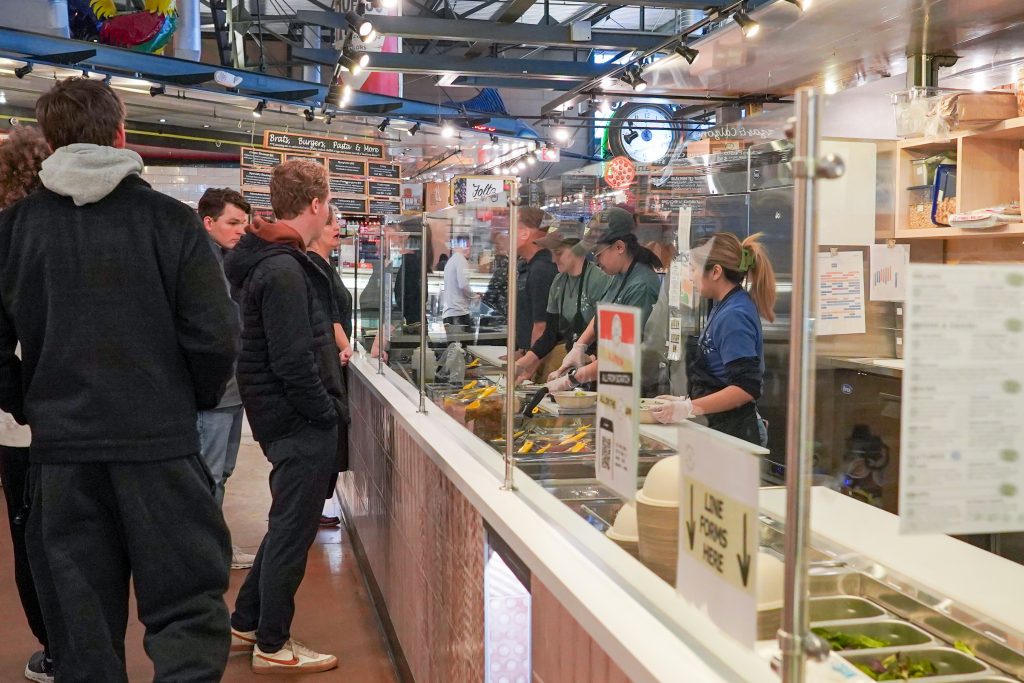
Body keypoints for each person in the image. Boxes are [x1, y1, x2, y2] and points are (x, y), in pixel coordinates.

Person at [0, 77, 240, 682]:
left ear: (50, 139)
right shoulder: (172, 222)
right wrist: (187, 400)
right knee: (187, 608)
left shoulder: (13, 230)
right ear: (121, 132)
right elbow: (215, 335)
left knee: (79, 625)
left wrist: (29, 404)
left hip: (62, 455)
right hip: (160, 446)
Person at [224, 159, 343, 675]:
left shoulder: (273, 262)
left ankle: (248, 620)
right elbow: (293, 360)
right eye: (329, 202)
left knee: (285, 526)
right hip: (298, 421)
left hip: (282, 418)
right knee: (293, 534)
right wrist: (325, 413)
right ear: (316, 205)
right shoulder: (282, 269)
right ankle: (273, 643)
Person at [0, 125, 54, 683]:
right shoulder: (63, 231)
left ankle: (55, 648)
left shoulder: (5, 235)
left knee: (29, 538)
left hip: (19, 427)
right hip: (79, 418)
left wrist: (19, 401)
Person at [650, 232, 776, 447]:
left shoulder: (734, 314)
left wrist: (689, 409)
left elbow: (745, 388)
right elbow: (720, 374)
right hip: (718, 427)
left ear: (716, 271)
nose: (690, 277)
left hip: (735, 433)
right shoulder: (721, 305)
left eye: (693, 269)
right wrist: (685, 402)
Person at [196, 187, 258, 570]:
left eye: (244, 224)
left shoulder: (230, 262)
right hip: (214, 392)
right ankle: (205, 557)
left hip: (234, 389)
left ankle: (212, 551)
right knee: (208, 477)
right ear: (209, 222)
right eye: (233, 223)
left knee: (222, 472)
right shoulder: (199, 266)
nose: (240, 231)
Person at [546, 207, 662, 391]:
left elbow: (623, 354)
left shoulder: (641, 286)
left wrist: (573, 379)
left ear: (619, 247)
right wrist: (580, 346)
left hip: (633, 387)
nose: (596, 261)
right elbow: (603, 312)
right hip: (611, 376)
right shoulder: (618, 275)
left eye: (598, 253)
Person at [514, 223, 611, 384]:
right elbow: (550, 334)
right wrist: (522, 363)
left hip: (598, 368)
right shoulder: (558, 283)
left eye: (558, 253)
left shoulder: (599, 280)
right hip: (572, 364)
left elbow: (610, 336)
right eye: (552, 253)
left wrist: (591, 358)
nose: (553, 259)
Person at [307, 209, 353, 528]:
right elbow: (327, 315)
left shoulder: (327, 264)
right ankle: (306, 512)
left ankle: (311, 509)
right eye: (330, 223)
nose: (338, 228)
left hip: (332, 359)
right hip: (324, 365)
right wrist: (345, 346)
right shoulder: (311, 265)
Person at [513, 207, 558, 378]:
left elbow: (542, 326)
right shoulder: (530, 265)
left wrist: (530, 368)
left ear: (525, 233)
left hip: (543, 361)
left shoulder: (542, 269)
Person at [442, 239, 473, 327]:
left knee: (453, 341)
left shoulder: (451, 261)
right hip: (459, 313)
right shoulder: (461, 259)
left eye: (469, 247)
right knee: (466, 340)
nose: (468, 250)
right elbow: (463, 284)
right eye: (466, 246)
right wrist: (474, 296)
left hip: (449, 313)